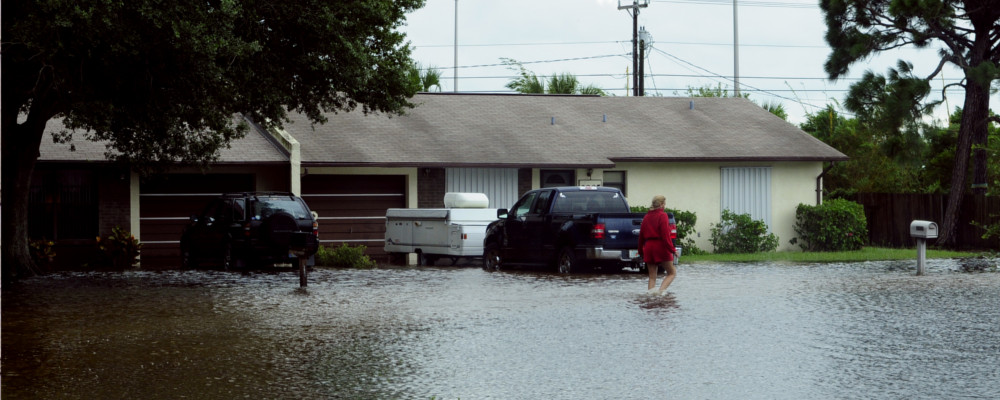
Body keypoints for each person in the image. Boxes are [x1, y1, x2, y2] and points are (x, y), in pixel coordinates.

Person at [638, 195, 678, 294]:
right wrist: (673, 250)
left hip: (648, 248)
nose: (665, 206)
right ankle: (661, 293)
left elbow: (641, 236)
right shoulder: (663, 215)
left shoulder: (646, 217)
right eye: (664, 204)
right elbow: (665, 236)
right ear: (661, 204)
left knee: (652, 277)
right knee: (672, 273)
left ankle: (651, 296)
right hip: (660, 247)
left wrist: (640, 251)